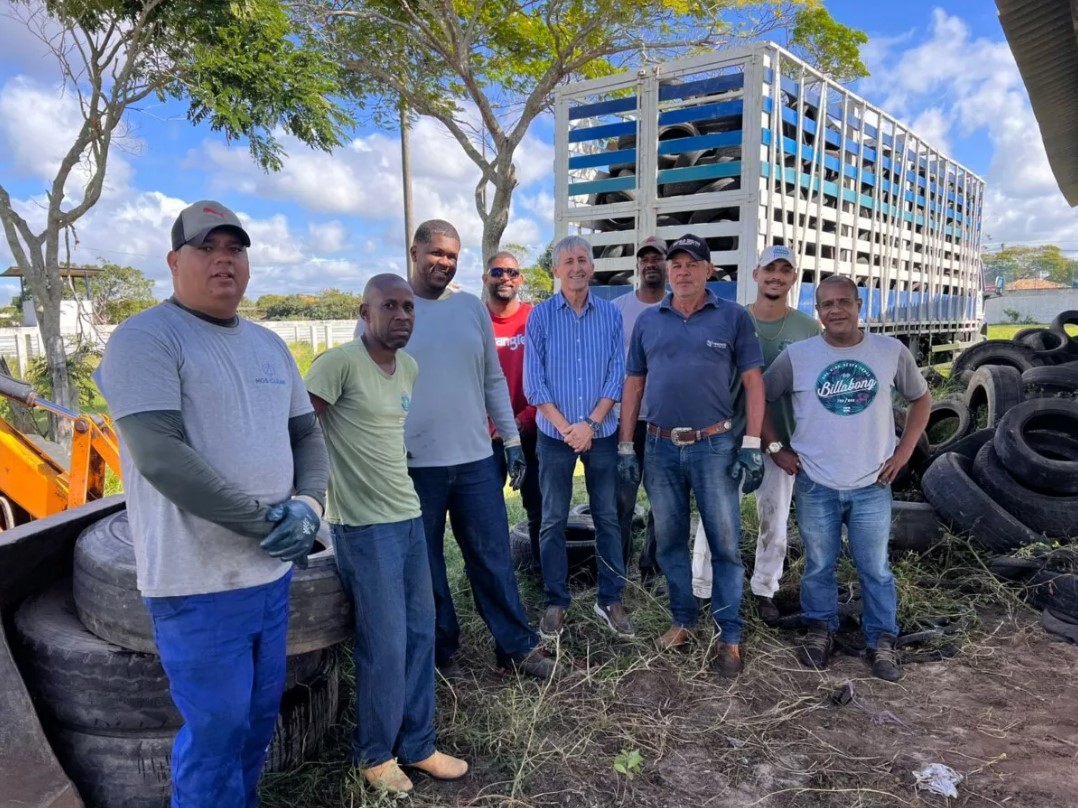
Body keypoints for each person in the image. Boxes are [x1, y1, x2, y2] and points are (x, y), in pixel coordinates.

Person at [94, 200, 329, 807]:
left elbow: (306, 434)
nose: (224, 259)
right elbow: (161, 455)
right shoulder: (146, 337)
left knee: (254, 727)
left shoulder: (269, 345)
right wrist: (265, 522)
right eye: (207, 247)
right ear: (175, 261)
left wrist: (307, 503)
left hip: (270, 576)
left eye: (235, 248)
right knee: (216, 732)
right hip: (196, 585)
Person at [355, 219, 552, 682]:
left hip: (476, 461)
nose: (443, 262)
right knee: (425, 566)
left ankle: (516, 647)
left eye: (452, 255)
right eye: (436, 253)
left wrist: (510, 440)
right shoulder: (392, 309)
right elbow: (363, 384)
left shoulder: (469, 309)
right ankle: (441, 652)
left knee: (493, 557)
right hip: (412, 467)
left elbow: (492, 380)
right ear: (414, 251)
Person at [306, 274, 468, 794]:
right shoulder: (337, 365)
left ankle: (418, 745)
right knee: (386, 642)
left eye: (408, 308)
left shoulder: (409, 368)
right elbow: (303, 434)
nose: (402, 315)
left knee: (422, 633)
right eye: (389, 306)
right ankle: (374, 755)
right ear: (364, 311)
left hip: (407, 517)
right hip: (362, 528)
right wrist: (305, 499)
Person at [762, 275, 931, 682]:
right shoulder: (798, 356)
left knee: (875, 566)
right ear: (817, 312)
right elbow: (761, 397)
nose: (835, 310)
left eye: (843, 302)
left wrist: (904, 451)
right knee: (819, 564)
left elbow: (922, 398)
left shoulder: (889, 352)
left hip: (872, 484)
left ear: (859, 305)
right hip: (815, 482)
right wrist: (776, 449)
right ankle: (822, 629)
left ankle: (881, 638)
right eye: (826, 304)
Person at [618, 233, 765, 678]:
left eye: (690, 263)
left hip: (714, 446)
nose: (681, 271)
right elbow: (634, 385)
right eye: (674, 264)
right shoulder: (649, 321)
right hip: (660, 447)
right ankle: (683, 620)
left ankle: (730, 634)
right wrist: (627, 444)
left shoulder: (733, 317)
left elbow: (755, 384)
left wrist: (753, 445)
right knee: (669, 542)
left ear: (708, 271)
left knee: (724, 544)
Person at [690, 245, 822, 624]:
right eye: (769, 269)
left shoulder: (808, 329)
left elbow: (811, 389)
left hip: (782, 440)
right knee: (714, 516)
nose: (776, 277)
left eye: (785, 270)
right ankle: (702, 589)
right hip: (729, 438)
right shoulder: (731, 319)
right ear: (755, 274)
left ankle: (765, 589)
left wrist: (790, 443)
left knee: (775, 519)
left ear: (793, 278)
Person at [524, 235, 633, 638]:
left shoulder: (610, 314)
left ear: (592, 266)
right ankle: (556, 600)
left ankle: (610, 598)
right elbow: (534, 383)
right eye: (568, 261)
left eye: (582, 259)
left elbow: (615, 374)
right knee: (552, 519)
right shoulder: (540, 316)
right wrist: (568, 427)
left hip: (600, 432)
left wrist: (590, 423)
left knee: (607, 516)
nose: (576, 267)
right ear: (555, 270)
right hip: (554, 435)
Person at [611, 236, 667, 586]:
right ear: (638, 266)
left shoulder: (679, 306)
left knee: (663, 506)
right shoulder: (617, 308)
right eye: (644, 258)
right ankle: (616, 574)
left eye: (656, 258)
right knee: (620, 504)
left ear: (666, 264)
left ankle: (652, 571)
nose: (649, 264)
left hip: (666, 424)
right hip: (626, 423)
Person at [484, 251, 543, 579]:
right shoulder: (477, 322)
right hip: (486, 437)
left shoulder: (535, 318)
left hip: (531, 431)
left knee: (538, 508)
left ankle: (539, 572)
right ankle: (492, 576)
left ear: (520, 279)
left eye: (512, 272)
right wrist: (493, 428)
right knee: (486, 513)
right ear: (485, 278)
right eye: (497, 271)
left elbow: (547, 378)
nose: (505, 277)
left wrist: (522, 422)